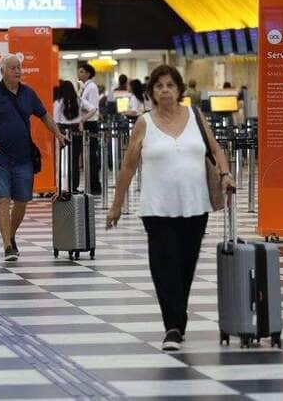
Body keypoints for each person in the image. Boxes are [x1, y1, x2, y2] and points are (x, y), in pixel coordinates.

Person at [106, 64, 234, 352]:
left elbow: (215, 149)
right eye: (159, 86)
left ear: (179, 90)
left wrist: (225, 173)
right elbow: (128, 166)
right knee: (165, 265)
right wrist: (116, 206)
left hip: (194, 204)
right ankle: (172, 327)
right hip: (156, 207)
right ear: (151, 91)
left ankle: (179, 317)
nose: (164, 90)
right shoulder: (144, 123)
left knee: (186, 265)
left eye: (170, 85)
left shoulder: (195, 116)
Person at [0, 55, 67, 262]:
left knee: (22, 201)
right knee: (2, 200)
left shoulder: (28, 94)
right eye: (12, 68)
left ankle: (11, 235)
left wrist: (58, 134)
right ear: (2, 71)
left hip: (23, 157)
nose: (17, 71)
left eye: (19, 68)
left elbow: (44, 115)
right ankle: (7, 246)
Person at [54, 79, 97, 191]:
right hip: (76, 131)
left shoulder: (58, 102)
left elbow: (55, 119)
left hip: (62, 131)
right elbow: (93, 109)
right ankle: (74, 186)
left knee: (61, 159)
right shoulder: (78, 100)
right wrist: (81, 120)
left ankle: (61, 185)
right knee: (74, 159)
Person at [77, 62, 102, 194]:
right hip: (86, 122)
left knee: (91, 155)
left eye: (81, 71)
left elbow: (94, 108)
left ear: (87, 73)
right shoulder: (85, 87)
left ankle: (95, 186)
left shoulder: (91, 87)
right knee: (88, 155)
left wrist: (82, 120)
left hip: (90, 123)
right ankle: (90, 185)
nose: (79, 74)